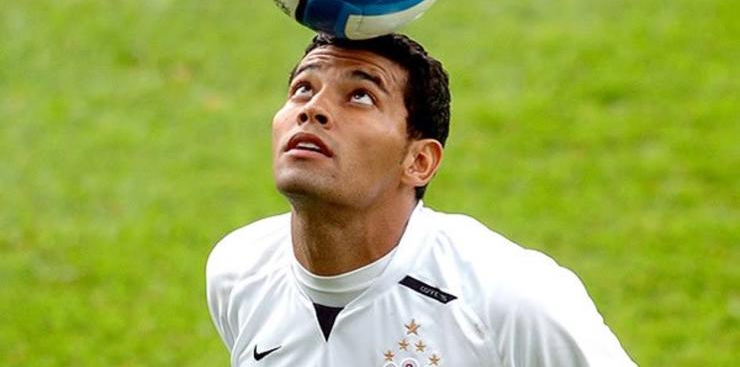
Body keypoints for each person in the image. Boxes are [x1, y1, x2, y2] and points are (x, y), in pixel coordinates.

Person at [206, 33, 636, 366]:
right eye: (303, 88)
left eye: (360, 96)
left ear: (419, 161)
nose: (313, 109)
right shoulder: (239, 273)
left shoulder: (510, 298)